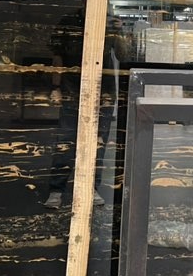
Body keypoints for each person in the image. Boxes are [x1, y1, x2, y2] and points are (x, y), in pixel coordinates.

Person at [43, 11, 129, 209]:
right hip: (73, 88)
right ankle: (57, 189)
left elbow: (124, 55)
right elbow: (57, 58)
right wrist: (56, 87)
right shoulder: (69, 21)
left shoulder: (109, 23)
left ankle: (91, 187)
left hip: (104, 90)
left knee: (98, 142)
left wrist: (118, 33)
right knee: (66, 140)